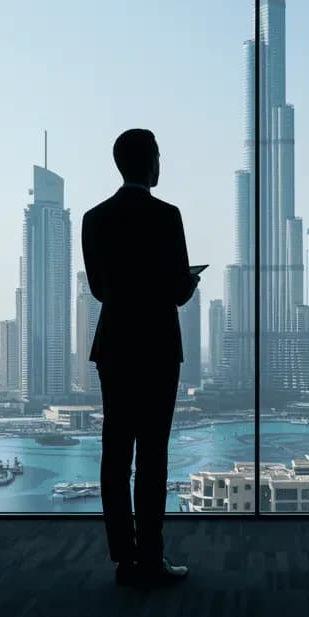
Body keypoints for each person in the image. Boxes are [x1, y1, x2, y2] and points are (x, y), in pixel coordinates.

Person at [82, 128, 199, 588]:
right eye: (158, 156)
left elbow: (97, 290)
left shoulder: (95, 219)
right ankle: (151, 558)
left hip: (114, 346)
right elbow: (175, 291)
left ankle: (123, 560)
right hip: (156, 348)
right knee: (152, 456)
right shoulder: (167, 216)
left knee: (115, 454)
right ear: (150, 161)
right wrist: (188, 282)